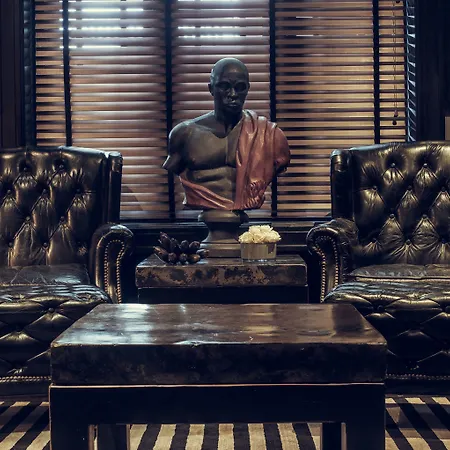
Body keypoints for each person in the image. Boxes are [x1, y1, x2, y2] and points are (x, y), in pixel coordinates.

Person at [163, 57, 290, 211]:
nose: (233, 94)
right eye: (224, 86)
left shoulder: (271, 137)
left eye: (240, 87)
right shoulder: (185, 134)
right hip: (206, 213)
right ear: (211, 89)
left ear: (248, 89)